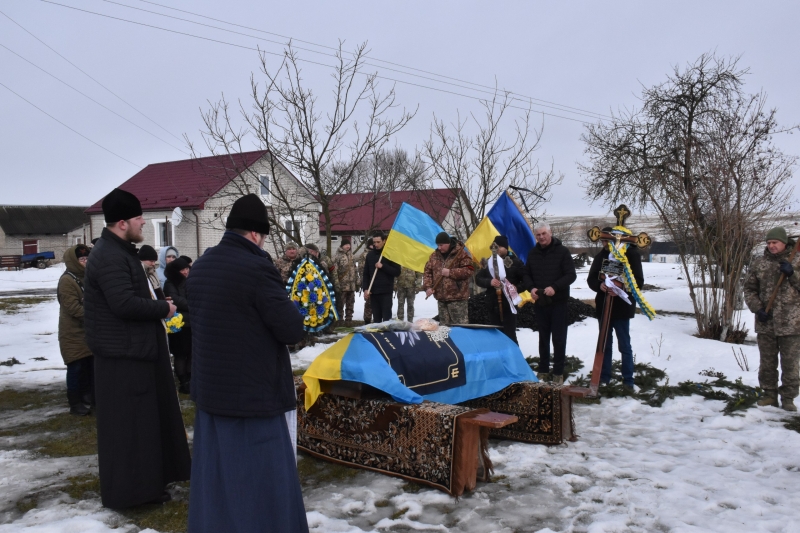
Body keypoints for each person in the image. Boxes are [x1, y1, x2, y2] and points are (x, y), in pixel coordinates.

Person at [187, 194, 308, 532]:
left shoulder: (201, 265)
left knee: (216, 477)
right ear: (256, 234)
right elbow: (290, 329)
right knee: (259, 480)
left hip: (211, 391)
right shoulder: (256, 268)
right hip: (251, 395)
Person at [83, 188, 191, 508]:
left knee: (145, 426)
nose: (143, 222)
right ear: (120, 223)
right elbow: (123, 304)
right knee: (129, 430)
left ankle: (149, 485)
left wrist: (159, 303)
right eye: (138, 217)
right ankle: (132, 493)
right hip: (123, 359)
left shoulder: (120, 251)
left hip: (135, 352)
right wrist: (163, 310)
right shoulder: (109, 256)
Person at [744, 226, 800, 412]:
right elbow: (749, 289)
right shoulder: (760, 263)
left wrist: (793, 275)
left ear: (784, 243)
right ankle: (769, 395)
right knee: (767, 363)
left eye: (774, 242)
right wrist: (758, 309)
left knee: (790, 364)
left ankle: (788, 399)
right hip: (765, 322)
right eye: (768, 243)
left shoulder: (797, 262)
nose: (771, 246)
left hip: (791, 324)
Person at [587, 228, 644, 392]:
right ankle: (604, 378)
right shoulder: (600, 257)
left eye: (607, 240)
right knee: (605, 343)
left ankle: (628, 380)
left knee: (624, 345)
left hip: (621, 308)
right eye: (603, 241)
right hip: (604, 306)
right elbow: (591, 279)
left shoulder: (631, 254)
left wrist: (621, 286)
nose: (604, 244)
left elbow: (638, 281)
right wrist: (601, 286)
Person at [526, 223, 577, 384]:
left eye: (543, 234)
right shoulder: (533, 253)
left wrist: (555, 287)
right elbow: (527, 274)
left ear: (550, 233)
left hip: (558, 303)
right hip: (540, 303)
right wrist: (531, 288)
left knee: (559, 338)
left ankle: (558, 372)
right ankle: (543, 369)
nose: (541, 237)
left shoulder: (563, 252)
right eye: (538, 235)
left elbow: (571, 275)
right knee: (543, 337)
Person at [57, 244, 94, 416]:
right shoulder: (67, 280)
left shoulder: (86, 277)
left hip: (87, 331)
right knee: (76, 367)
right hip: (72, 333)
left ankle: (88, 396)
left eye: (87, 259)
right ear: (74, 261)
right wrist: (96, 315)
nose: (85, 262)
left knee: (88, 366)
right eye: (81, 259)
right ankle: (75, 402)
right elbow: (73, 307)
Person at [475, 236, 532, 344]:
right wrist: (489, 282)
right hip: (493, 304)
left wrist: (516, 288)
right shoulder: (488, 262)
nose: (497, 249)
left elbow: (526, 280)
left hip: (509, 306)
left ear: (506, 248)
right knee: (496, 335)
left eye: (500, 246)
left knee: (510, 335)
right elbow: (478, 279)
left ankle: (514, 358)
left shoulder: (515, 263)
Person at [423, 232, 474, 325]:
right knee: (444, 329)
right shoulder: (434, 256)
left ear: (448, 243)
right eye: (438, 245)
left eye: (441, 245)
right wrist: (428, 287)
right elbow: (427, 272)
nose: (439, 248)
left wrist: (450, 272)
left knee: (460, 327)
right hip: (442, 300)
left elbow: (469, 270)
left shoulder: (461, 253)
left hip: (458, 299)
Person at [163, 257, 192, 394]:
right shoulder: (170, 283)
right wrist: (193, 304)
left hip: (191, 322)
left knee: (192, 353)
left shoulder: (191, 281)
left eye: (187, 268)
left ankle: (190, 379)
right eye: (182, 270)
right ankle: (183, 381)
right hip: (178, 324)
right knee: (180, 354)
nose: (186, 272)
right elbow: (175, 300)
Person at [362, 231, 400, 323]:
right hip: (374, 292)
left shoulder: (391, 254)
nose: (376, 244)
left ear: (384, 241)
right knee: (376, 320)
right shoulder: (370, 255)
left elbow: (397, 272)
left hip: (386, 292)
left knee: (386, 320)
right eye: (374, 242)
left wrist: (383, 266)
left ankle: (387, 337)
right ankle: (377, 336)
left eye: (378, 242)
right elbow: (366, 274)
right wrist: (365, 289)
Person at [334, 237, 357, 322]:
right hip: (342, 285)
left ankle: (349, 320)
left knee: (350, 303)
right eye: (346, 245)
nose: (348, 246)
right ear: (342, 246)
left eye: (349, 245)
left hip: (351, 285)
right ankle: (339, 320)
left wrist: (357, 280)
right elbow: (334, 272)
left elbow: (355, 269)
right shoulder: (337, 256)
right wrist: (336, 283)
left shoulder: (352, 256)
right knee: (340, 304)